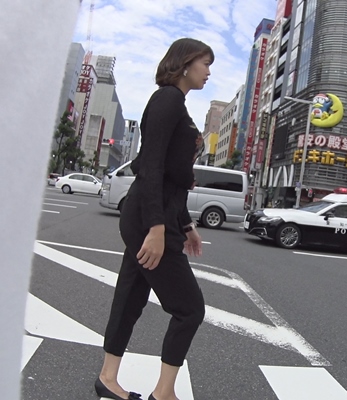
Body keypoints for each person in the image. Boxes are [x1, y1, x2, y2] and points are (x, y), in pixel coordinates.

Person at [94, 38, 214, 400]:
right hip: (149, 219)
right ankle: (164, 393)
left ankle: (107, 379)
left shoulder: (177, 104)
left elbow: (173, 180)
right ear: (185, 63)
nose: (208, 72)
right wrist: (157, 228)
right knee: (189, 309)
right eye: (205, 63)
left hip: (157, 215)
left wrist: (187, 225)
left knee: (130, 297)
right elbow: (151, 167)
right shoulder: (167, 100)